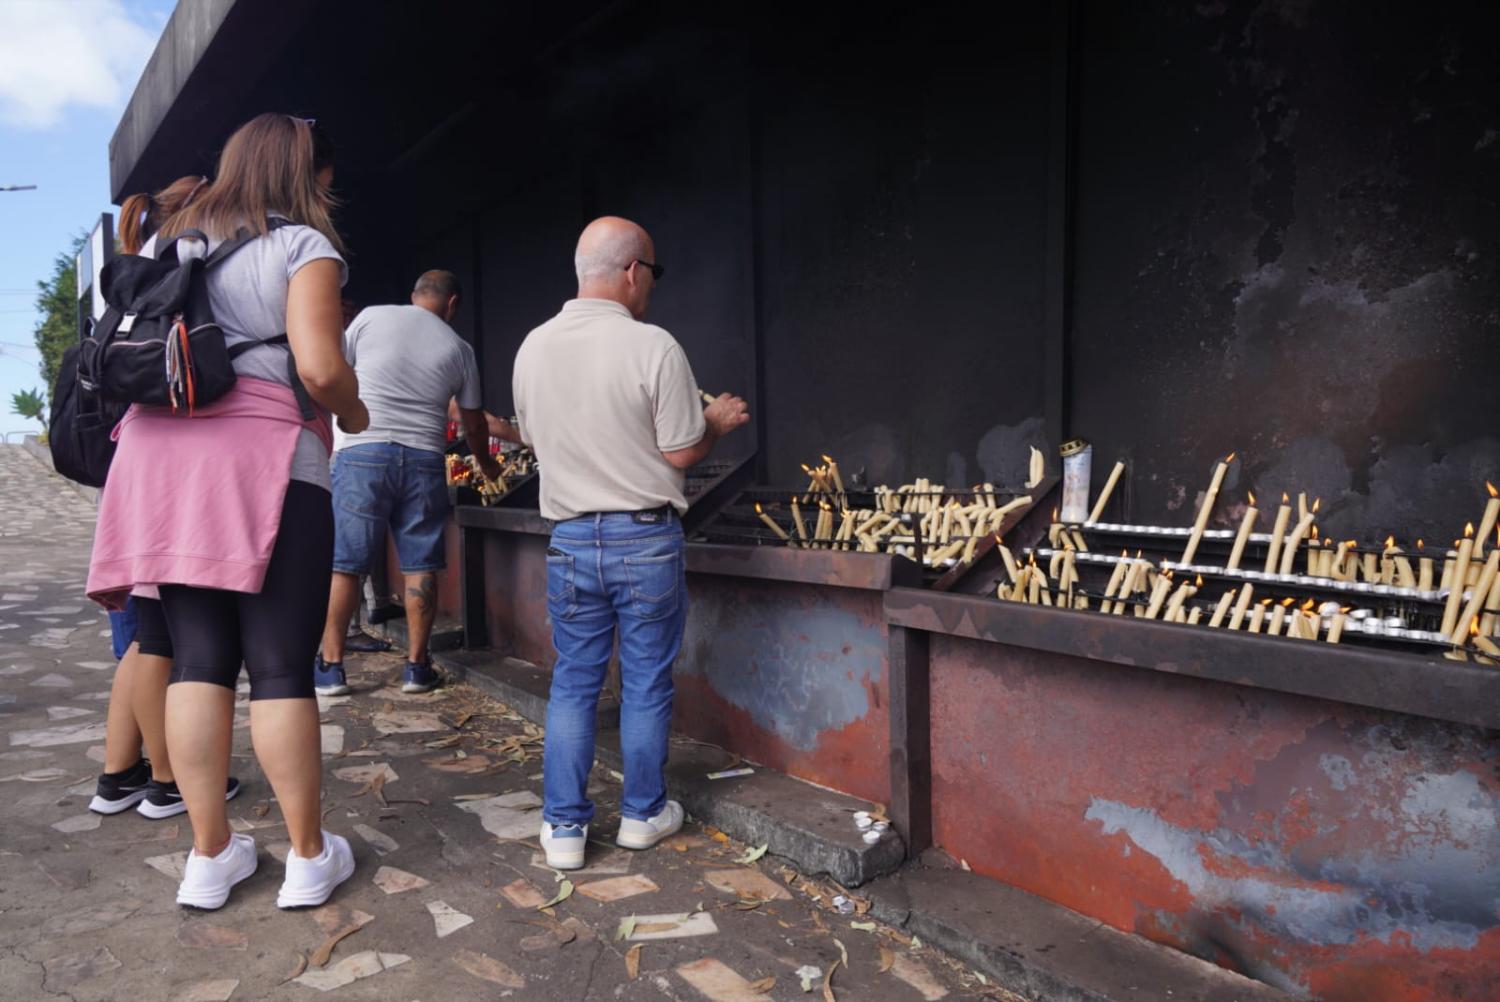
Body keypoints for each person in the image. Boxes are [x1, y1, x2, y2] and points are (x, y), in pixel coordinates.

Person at [88, 113, 368, 911]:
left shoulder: (161, 241)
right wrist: (354, 415)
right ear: (308, 176)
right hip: (264, 461)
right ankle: (310, 858)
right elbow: (318, 366)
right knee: (280, 666)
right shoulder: (303, 247)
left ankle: (210, 857)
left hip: (159, 467)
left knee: (198, 658)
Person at [513, 216, 749, 870]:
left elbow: (533, 439)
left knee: (573, 684)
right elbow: (679, 451)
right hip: (644, 540)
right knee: (645, 683)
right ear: (632, 271)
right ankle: (643, 816)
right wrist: (717, 422)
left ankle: (563, 829)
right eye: (653, 273)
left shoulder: (532, 346)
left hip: (568, 540)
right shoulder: (653, 345)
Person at [91, 175, 240, 820]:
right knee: (158, 643)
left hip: (135, 459)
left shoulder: (138, 269)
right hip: (169, 462)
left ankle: (118, 776)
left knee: (142, 639)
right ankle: (168, 778)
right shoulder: (182, 264)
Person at [314, 271, 519, 696]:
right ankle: (416, 667)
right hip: (424, 457)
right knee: (420, 562)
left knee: (345, 562)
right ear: (453, 304)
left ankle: (331, 667)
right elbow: (473, 422)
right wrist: (487, 465)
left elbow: (333, 371)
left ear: (413, 296)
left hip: (363, 450)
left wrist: (340, 426)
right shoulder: (459, 348)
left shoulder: (371, 317)